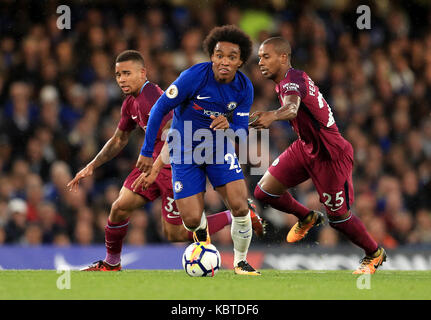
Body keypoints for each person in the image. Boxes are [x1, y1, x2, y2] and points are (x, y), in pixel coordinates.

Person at [66, 50, 264, 271]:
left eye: (127, 73)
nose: (121, 79)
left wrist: (156, 167)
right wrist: (92, 165)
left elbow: (175, 132)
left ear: (143, 73)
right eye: (118, 75)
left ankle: (235, 214)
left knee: (176, 233)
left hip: (170, 164)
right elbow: (119, 138)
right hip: (152, 163)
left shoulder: (153, 97)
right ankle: (112, 262)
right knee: (119, 208)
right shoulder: (130, 103)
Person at [251, 37, 386, 274]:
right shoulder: (287, 80)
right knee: (264, 191)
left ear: (283, 57)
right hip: (306, 147)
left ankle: (374, 253)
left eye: (266, 56)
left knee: (338, 219)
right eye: (260, 57)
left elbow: (292, 108)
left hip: (331, 155)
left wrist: (272, 116)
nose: (260, 61)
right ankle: (307, 217)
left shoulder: (292, 81)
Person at [137, 25, 260, 275]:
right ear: (212, 56)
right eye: (219, 55)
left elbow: (242, 130)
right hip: (184, 152)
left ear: (241, 61)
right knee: (191, 220)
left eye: (231, 57)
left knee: (239, 205)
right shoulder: (193, 77)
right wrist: (147, 151)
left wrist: (231, 127)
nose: (224, 61)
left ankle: (240, 262)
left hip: (218, 149)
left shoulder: (244, 88)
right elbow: (160, 108)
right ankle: (204, 240)